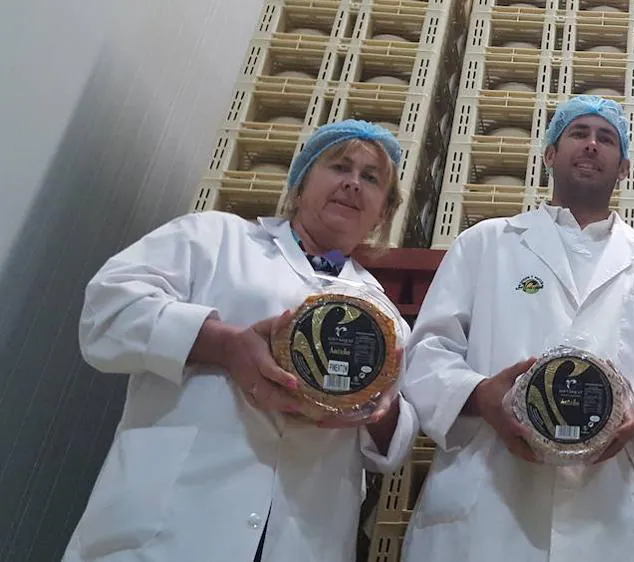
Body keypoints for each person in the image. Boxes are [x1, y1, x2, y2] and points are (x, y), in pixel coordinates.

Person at [64, 120, 419, 562]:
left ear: (383, 211)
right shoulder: (213, 237)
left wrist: (378, 412)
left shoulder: (383, 316)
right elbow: (105, 313)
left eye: (371, 178)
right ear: (301, 180)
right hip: (172, 526)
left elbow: (396, 444)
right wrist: (224, 345)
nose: (352, 183)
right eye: (339, 166)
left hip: (303, 538)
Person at [403, 94, 634, 562]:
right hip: (487, 507)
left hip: (606, 516)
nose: (590, 145)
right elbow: (427, 351)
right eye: (578, 134)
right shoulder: (485, 244)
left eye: (606, 139)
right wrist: (481, 396)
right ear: (549, 155)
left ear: (623, 168)